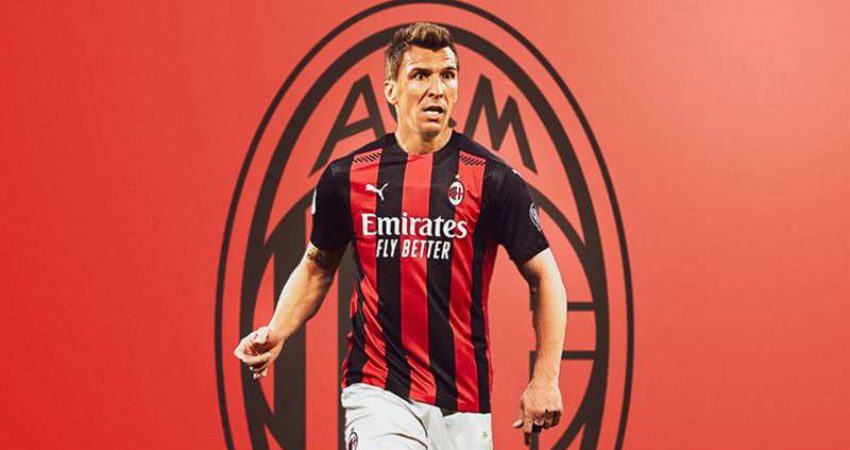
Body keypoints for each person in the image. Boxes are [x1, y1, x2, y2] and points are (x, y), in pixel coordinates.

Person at [234, 22, 567, 449]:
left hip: (464, 402)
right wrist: (277, 330)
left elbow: (545, 277)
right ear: (391, 90)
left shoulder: (494, 180)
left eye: (447, 75)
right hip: (378, 390)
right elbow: (317, 266)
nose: (436, 89)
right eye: (420, 75)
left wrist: (545, 378)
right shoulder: (347, 177)